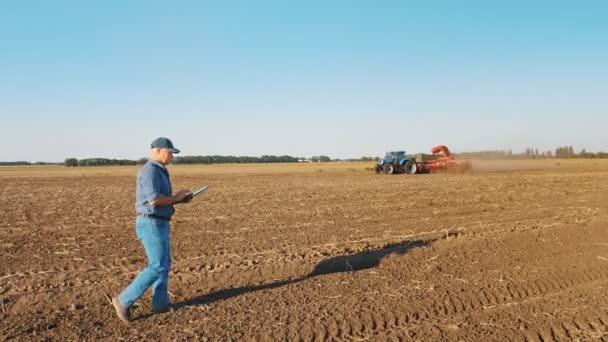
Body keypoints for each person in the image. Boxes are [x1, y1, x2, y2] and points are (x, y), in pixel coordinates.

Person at [112, 137, 192, 323]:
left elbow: (160, 199)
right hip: (151, 223)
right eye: (170, 151)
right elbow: (154, 200)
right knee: (157, 265)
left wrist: (180, 199)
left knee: (163, 263)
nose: (172, 155)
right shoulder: (150, 171)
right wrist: (177, 197)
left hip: (159, 222)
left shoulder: (159, 170)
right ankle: (123, 301)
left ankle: (160, 304)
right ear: (157, 150)